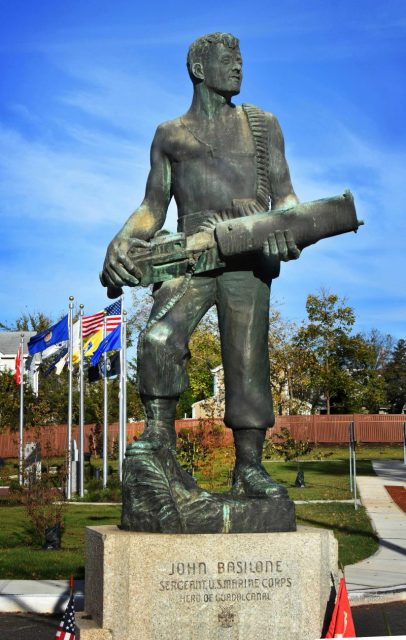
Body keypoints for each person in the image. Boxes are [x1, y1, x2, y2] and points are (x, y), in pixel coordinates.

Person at [102, 32, 300, 498]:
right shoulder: (170, 134)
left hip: (248, 255)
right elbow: (153, 207)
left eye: (241, 59)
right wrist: (121, 241)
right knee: (157, 339)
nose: (238, 67)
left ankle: (249, 467)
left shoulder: (262, 124)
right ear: (198, 68)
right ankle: (159, 442)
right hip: (190, 253)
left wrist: (288, 228)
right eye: (228, 60)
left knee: (247, 358)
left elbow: (287, 195)